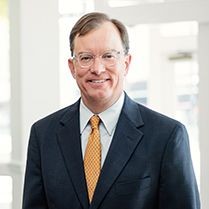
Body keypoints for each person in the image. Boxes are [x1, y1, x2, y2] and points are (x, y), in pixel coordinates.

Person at [22, 12, 200, 209]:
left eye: (108, 56)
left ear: (126, 63)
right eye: (86, 57)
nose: (97, 68)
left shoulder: (167, 136)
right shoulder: (43, 134)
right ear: (72, 67)